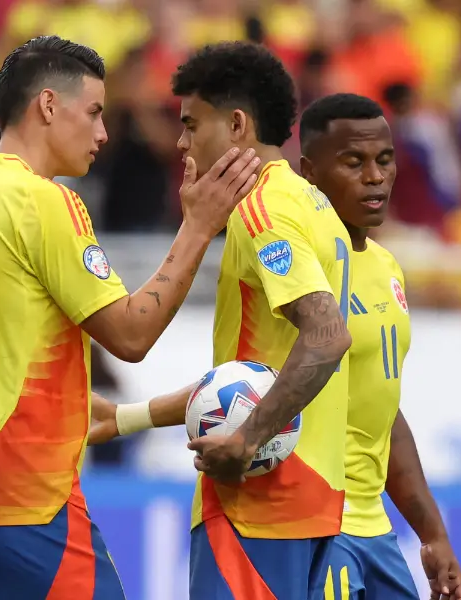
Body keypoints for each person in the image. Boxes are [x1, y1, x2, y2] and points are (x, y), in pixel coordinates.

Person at [0, 35, 261, 600]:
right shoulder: (43, 200)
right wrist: (197, 227)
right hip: (25, 513)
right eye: (94, 113)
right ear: (48, 105)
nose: (102, 134)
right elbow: (131, 333)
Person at [92, 42, 354, 599]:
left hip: (257, 506)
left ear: (236, 124)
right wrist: (127, 417)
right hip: (313, 507)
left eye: (191, 123)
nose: (181, 141)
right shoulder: (314, 205)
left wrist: (247, 439)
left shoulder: (263, 212)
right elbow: (253, 378)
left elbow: (327, 337)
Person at [299, 93, 461, 600]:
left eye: (384, 160)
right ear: (309, 172)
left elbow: (384, 410)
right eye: (354, 162)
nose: (375, 176)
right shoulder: (302, 264)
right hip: (318, 527)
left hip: (375, 529)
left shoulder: (388, 267)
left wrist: (432, 534)